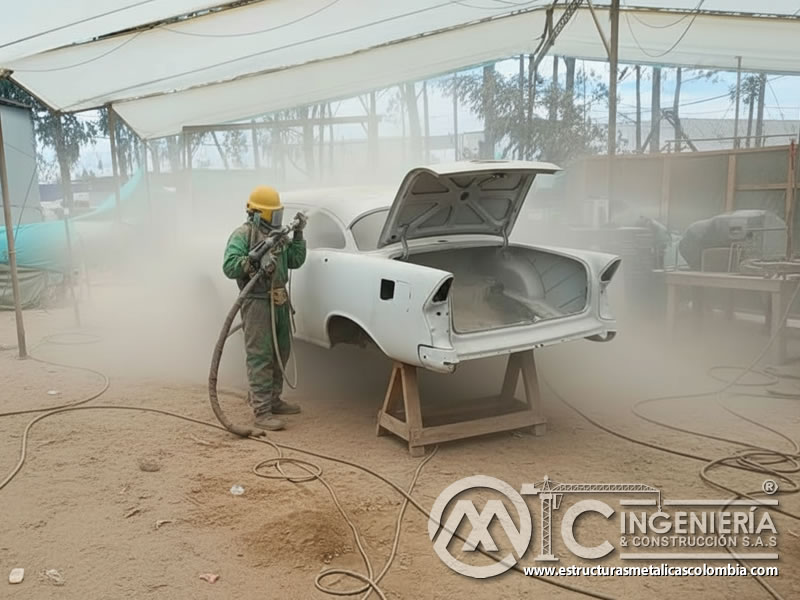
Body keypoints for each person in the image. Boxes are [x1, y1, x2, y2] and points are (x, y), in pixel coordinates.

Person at [222, 186, 307, 431]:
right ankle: (261, 411)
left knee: (280, 352)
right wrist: (253, 261)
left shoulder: (279, 235)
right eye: (273, 215)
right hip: (258, 302)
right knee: (260, 356)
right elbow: (229, 267)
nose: (277, 219)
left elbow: (296, 261)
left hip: (280, 302)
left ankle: (273, 400)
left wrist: (299, 234)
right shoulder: (243, 235)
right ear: (259, 213)